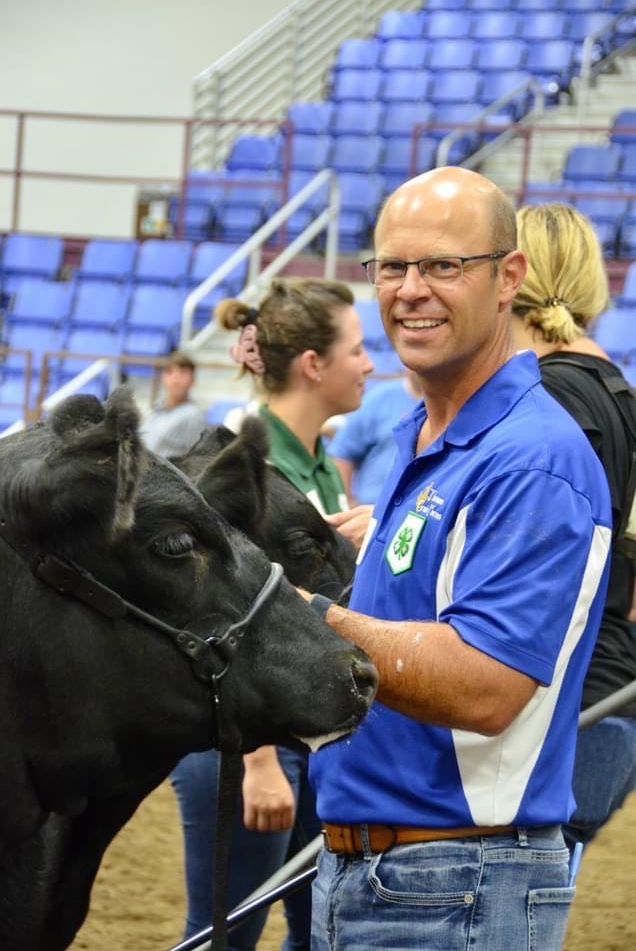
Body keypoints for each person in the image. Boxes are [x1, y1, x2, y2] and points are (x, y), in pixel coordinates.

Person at [303, 167, 613, 951]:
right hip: (386, 873)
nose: (411, 289)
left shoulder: (531, 458)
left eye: (444, 265)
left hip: (456, 884)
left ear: (510, 277)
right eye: (393, 267)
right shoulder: (428, 437)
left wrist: (303, 622)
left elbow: (485, 685)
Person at [170, 277, 374, 950]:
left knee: (319, 928)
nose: (370, 363)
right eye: (357, 349)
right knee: (226, 934)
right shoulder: (240, 464)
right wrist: (256, 762)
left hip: (301, 733)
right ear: (314, 365)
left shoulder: (315, 466)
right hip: (249, 742)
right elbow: (214, 614)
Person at [511, 202, 636, 852]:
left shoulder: (542, 398)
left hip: (550, 709)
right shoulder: (624, 399)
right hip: (611, 696)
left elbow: (527, 578)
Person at [328, 369, 421, 506]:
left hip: (419, 512)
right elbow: (342, 453)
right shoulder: (382, 397)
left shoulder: (452, 405)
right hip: (371, 508)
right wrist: (346, 502)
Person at [139, 351, 207, 458]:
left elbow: (197, 459)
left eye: (183, 372)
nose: (175, 379)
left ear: (193, 380)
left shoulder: (194, 415)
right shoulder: (155, 409)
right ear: (163, 378)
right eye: (169, 372)